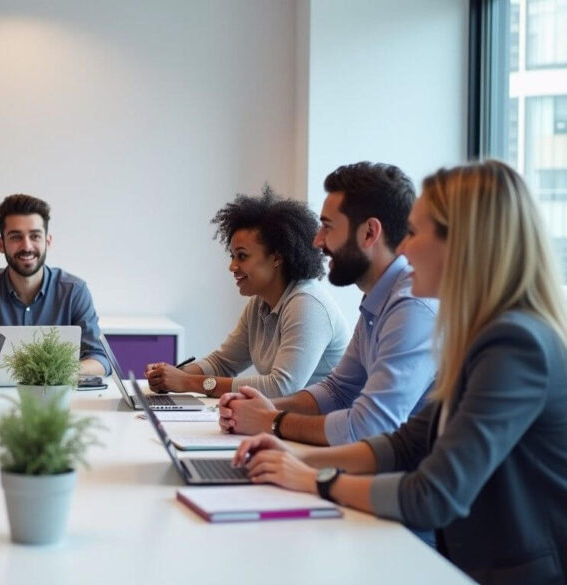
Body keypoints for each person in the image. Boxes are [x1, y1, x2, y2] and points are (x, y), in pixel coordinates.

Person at [232, 161, 567, 584]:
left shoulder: (515, 346)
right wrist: (293, 458)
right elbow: (407, 444)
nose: (403, 250)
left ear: (464, 244)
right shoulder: (483, 334)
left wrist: (315, 477)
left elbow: (432, 494)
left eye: (414, 232)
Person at [220, 162, 437, 445]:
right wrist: (263, 408)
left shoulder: (411, 307)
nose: (317, 241)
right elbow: (338, 391)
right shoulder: (379, 299)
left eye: (327, 227)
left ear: (370, 233)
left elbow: (369, 426)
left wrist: (271, 421)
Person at [145, 185, 349, 399]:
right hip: (285, 421)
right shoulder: (260, 304)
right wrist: (171, 376)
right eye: (232, 256)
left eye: (242, 256)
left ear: (277, 258)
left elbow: (281, 387)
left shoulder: (307, 304)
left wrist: (187, 382)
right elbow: (222, 363)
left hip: (321, 428)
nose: (232, 267)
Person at [0, 194, 109, 375]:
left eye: (35, 236)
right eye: (16, 237)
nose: (27, 246)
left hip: (55, 399)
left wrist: (52, 369)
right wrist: (19, 358)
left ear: (48, 242)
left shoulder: (75, 291)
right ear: (1, 244)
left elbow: (100, 360)